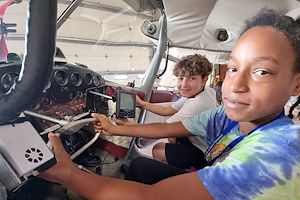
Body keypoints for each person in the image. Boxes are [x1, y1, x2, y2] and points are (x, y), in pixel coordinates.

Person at [42, 9, 300, 200]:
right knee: (141, 165)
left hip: (202, 165)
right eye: (233, 68)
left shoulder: (277, 154)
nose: (236, 84)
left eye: (262, 72)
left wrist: (68, 174)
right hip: (211, 170)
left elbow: (150, 197)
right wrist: (113, 128)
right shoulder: (227, 115)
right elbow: (169, 128)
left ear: (296, 85)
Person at [133, 54, 217, 170]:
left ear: (204, 79)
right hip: (204, 143)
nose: (184, 85)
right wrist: (143, 104)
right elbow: (167, 110)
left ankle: (170, 177)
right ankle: (178, 164)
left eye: (192, 78)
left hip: (206, 154)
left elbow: (163, 130)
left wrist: (128, 126)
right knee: (173, 134)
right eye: (181, 78)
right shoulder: (206, 91)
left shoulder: (199, 103)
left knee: (158, 149)